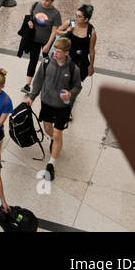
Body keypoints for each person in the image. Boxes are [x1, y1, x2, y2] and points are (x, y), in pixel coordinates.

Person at [26, 36, 83, 182]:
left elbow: (77, 86)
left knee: (58, 134)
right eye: (54, 50)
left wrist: (71, 94)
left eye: (58, 51)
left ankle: (51, 163)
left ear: (66, 53)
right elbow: (38, 80)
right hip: (47, 103)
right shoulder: (46, 63)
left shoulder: (73, 69)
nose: (55, 53)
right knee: (48, 129)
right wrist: (32, 97)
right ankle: (53, 139)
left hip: (62, 107)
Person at [20, 0, 62, 93]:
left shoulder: (56, 14)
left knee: (48, 62)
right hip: (34, 39)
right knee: (32, 60)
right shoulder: (36, 6)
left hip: (46, 41)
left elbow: (54, 31)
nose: (44, 2)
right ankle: (27, 85)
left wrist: (48, 45)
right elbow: (31, 18)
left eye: (47, 1)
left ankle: (48, 82)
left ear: (52, 1)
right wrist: (30, 23)